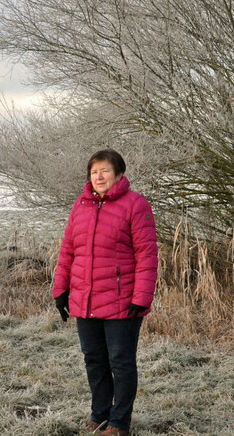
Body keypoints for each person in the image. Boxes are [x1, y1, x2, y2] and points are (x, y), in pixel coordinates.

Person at [53, 149, 158, 436]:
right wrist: (60, 288)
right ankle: (99, 416)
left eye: (105, 171)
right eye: (94, 171)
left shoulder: (136, 205)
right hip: (85, 299)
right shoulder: (81, 205)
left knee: (121, 363)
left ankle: (119, 423)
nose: (98, 176)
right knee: (94, 361)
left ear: (119, 174)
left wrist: (141, 298)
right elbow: (68, 251)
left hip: (122, 301)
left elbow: (147, 255)